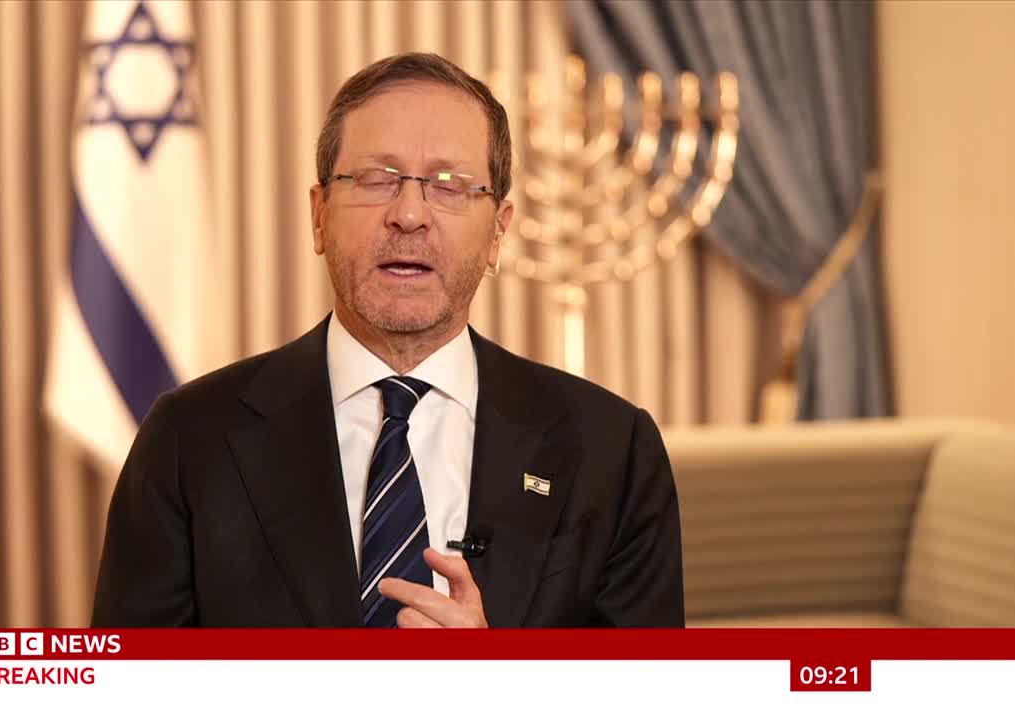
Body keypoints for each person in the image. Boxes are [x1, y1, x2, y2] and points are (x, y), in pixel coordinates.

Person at [91, 52, 684, 628]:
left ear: (498, 233)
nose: (409, 214)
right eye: (377, 180)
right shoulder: (188, 440)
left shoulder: (611, 453)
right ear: (319, 216)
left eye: (449, 186)